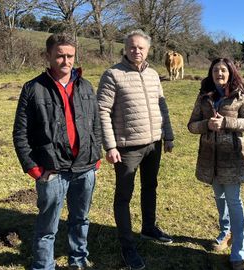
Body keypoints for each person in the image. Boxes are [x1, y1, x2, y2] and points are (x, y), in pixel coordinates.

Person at [13, 33, 102, 270]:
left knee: (80, 219)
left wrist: (97, 157)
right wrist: (33, 168)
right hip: (51, 170)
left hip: (85, 167)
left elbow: (95, 124)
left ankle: (78, 260)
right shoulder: (33, 88)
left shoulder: (85, 85)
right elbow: (20, 133)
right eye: (60, 55)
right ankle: (43, 265)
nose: (66, 61)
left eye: (70, 56)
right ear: (48, 56)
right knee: (47, 225)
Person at [97, 29, 174, 270]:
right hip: (127, 148)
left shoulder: (153, 75)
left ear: (148, 50)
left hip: (154, 143)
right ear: (125, 49)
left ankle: (149, 228)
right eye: (132, 47)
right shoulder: (113, 75)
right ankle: (127, 246)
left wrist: (168, 136)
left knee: (150, 187)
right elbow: (102, 112)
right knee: (124, 196)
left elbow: (162, 108)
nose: (136, 51)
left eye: (141, 47)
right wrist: (110, 145)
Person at [188, 58, 244, 270]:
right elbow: (191, 125)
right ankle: (225, 231)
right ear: (211, 73)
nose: (219, 73)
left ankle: (239, 250)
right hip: (210, 158)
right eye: (216, 70)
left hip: (232, 158)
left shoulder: (239, 96)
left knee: (234, 201)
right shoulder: (204, 96)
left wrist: (226, 122)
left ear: (230, 72)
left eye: (223, 70)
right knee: (219, 197)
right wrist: (207, 125)